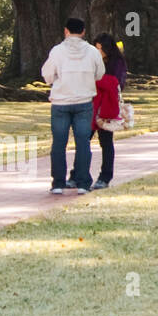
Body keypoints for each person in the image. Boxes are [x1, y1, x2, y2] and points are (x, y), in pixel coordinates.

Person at [40, 17, 105, 195]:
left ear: (66, 31)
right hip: (84, 101)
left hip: (61, 102)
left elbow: (47, 75)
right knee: (83, 142)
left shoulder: (57, 51)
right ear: (83, 32)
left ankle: (58, 183)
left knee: (59, 143)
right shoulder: (92, 52)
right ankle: (83, 182)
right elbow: (100, 74)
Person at [85, 34, 127, 190]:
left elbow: (115, 84)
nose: (98, 52)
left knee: (106, 142)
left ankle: (105, 177)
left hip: (106, 109)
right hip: (91, 106)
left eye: (100, 49)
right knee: (83, 140)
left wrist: (96, 80)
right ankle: (78, 175)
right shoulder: (92, 61)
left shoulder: (117, 63)